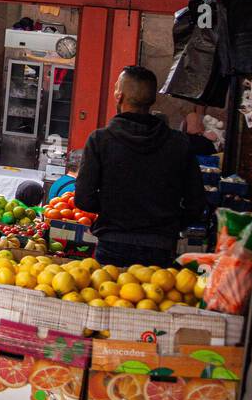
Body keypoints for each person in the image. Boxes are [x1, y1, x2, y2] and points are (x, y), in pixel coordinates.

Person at [75, 66, 205, 268]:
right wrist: (168, 222)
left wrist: (114, 210)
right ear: (152, 100)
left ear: (119, 97)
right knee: (151, 299)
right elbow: (196, 204)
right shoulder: (178, 143)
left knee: (107, 297)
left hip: (112, 244)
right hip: (160, 247)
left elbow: (83, 198)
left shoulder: (100, 140)